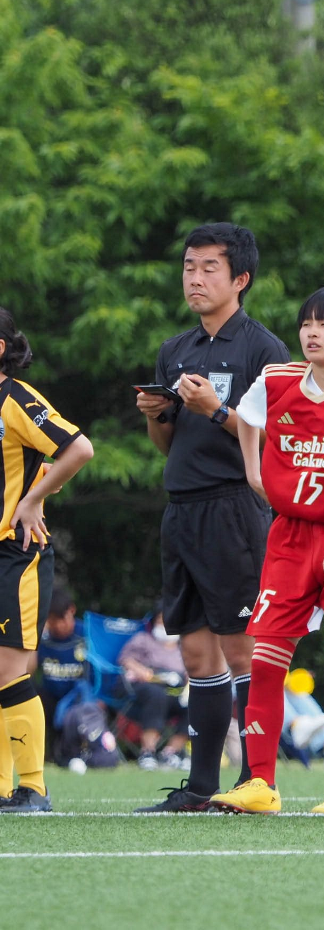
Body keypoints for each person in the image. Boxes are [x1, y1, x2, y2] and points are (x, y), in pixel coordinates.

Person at [134, 224, 289, 812]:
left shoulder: (263, 350)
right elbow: (168, 445)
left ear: (240, 278)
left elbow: (278, 438)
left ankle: (255, 781)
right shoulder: (175, 349)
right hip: (182, 509)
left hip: (235, 508)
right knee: (197, 655)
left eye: (208, 268)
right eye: (188, 267)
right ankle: (201, 788)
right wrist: (157, 414)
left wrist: (217, 408)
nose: (194, 279)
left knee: (243, 650)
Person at [208, 284, 324, 816]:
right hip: (288, 536)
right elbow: (247, 417)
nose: (311, 332)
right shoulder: (278, 378)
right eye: (307, 322)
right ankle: (261, 782)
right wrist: (254, 472)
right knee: (265, 659)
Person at [0, 308, 95, 813]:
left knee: (9, 670)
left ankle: (33, 787)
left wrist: (34, 497)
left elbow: (79, 449)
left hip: (14, 553)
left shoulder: (15, 398)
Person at [117, 608, 190, 770]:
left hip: (175, 691)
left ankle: (171, 752)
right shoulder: (143, 640)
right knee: (156, 695)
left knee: (197, 699)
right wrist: (141, 671)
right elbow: (125, 659)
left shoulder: (183, 647)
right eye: (160, 621)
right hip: (143, 688)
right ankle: (147, 752)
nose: (164, 625)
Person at [37, 590, 88, 757]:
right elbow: (27, 671)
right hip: (50, 697)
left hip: (78, 697)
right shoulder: (43, 638)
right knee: (30, 697)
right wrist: (37, 637)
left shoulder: (86, 634)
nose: (58, 626)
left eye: (62, 619)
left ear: (72, 610)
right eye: (53, 620)